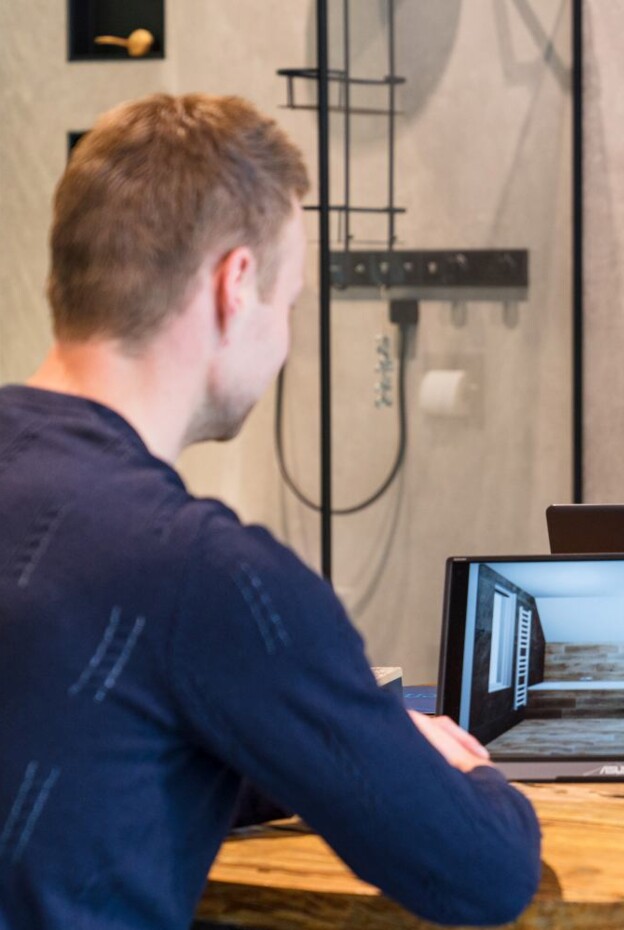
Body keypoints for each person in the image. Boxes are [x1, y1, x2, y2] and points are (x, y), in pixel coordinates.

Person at [0, 93, 540, 928]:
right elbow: (485, 872)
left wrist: (306, 749)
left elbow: (74, 730)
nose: (285, 341)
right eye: (291, 303)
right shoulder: (202, 572)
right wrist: (452, 768)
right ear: (236, 285)